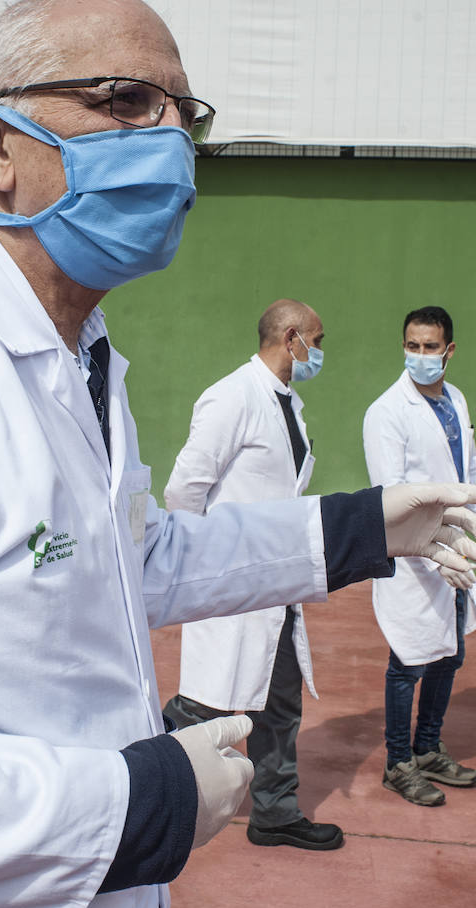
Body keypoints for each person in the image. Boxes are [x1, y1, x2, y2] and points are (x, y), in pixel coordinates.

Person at [0, 2, 476, 908]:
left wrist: (361, 526)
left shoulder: (78, 346)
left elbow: (129, 560)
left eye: (183, 111)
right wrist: (138, 805)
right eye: (124, 101)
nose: (170, 139)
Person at [161, 298, 342, 851]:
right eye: (318, 337)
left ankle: (275, 812)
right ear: (292, 338)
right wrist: (201, 562)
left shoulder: (288, 402)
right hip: (230, 578)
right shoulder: (232, 395)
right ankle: (151, 781)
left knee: (280, 699)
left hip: (276, 582)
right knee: (206, 702)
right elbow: (184, 488)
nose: (320, 349)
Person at [362, 307, 476, 807]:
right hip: (414, 555)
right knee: (408, 660)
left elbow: (469, 472)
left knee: (450, 652)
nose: (420, 356)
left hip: (458, 549)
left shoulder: (455, 399)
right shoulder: (387, 411)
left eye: (430, 347)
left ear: (449, 351)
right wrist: (435, 556)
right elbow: (392, 495)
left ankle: (428, 749)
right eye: (412, 346)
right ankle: (398, 762)